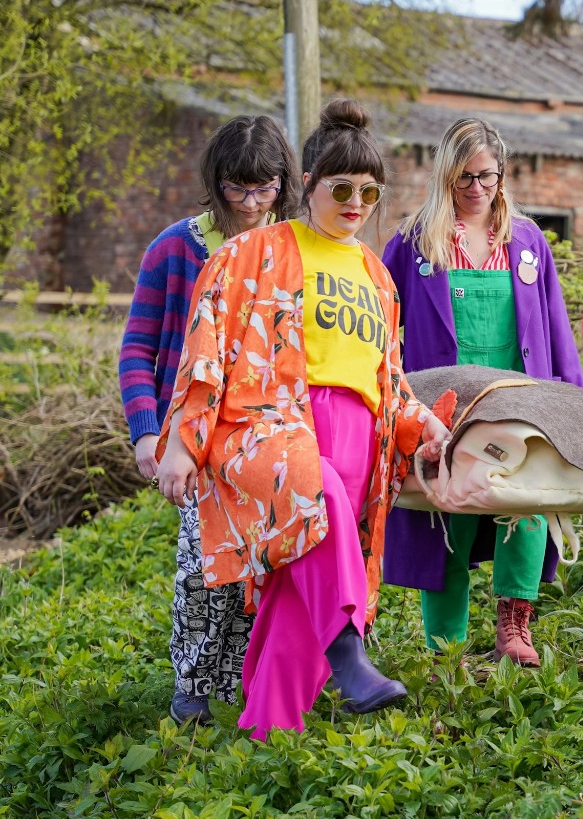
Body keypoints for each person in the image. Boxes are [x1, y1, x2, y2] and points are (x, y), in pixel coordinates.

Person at [153, 98, 450, 739]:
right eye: (341, 188)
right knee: (323, 507)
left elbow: (389, 379)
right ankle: (350, 656)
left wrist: (421, 422)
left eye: (369, 193)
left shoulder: (378, 277)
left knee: (300, 588)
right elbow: (206, 347)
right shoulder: (254, 251)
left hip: (360, 436)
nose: (355, 203)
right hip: (276, 423)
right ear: (308, 184)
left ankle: (268, 731)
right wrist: (181, 439)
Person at [381, 117, 583, 667]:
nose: (476, 189)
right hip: (444, 408)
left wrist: (571, 402)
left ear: (502, 175)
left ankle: (515, 627)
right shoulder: (414, 243)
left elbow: (554, 326)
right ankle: (445, 649)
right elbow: (380, 328)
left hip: (518, 402)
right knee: (450, 514)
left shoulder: (526, 241)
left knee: (526, 506)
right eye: (464, 177)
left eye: (486, 177)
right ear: (445, 176)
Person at [119, 115, 300, 726]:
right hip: (192, 438)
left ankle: (247, 686)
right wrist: (148, 430)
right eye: (236, 188)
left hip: (271, 434)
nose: (250, 204)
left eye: (264, 189)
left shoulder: (293, 250)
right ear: (214, 182)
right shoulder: (175, 249)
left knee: (264, 565)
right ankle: (193, 692)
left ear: (283, 184)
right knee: (203, 571)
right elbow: (137, 348)